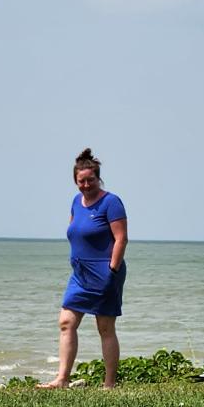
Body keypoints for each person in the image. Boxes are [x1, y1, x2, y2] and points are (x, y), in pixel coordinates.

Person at [37, 148, 128, 389]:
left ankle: (109, 384)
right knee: (66, 322)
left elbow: (121, 239)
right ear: (75, 181)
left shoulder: (111, 202)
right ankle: (62, 379)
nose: (86, 185)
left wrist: (113, 270)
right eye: (81, 181)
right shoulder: (76, 202)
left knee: (105, 327)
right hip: (80, 274)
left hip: (106, 273)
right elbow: (74, 231)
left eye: (91, 180)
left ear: (99, 178)